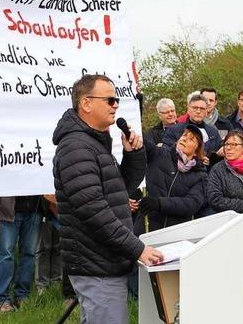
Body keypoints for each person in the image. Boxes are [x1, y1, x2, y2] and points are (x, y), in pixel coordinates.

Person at [52, 74, 162, 324]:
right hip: (96, 263)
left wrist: (132, 155)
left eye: (117, 100)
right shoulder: (77, 148)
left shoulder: (94, 143)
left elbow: (120, 189)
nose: (116, 105)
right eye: (110, 100)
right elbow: (94, 211)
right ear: (87, 104)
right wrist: (137, 248)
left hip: (104, 258)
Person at [206, 130, 243, 276]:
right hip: (229, 231)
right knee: (230, 275)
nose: (228, 148)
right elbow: (215, 200)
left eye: (234, 144)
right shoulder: (218, 170)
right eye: (227, 144)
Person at [137, 124, 207, 231]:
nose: (184, 139)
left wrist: (158, 203)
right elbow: (141, 141)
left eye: (191, 139)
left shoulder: (200, 175)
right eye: (184, 135)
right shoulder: (159, 154)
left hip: (175, 234)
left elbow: (191, 204)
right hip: (146, 228)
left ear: (197, 150)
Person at [0, 195, 41, 312]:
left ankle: (22, 296)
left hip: (35, 208)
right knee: (6, 254)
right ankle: (3, 299)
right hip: (9, 209)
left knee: (29, 254)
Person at [163, 94, 222, 160]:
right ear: (188, 109)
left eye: (202, 109)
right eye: (195, 108)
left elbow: (219, 156)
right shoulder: (174, 130)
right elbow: (166, 153)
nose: (198, 111)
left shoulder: (213, 132)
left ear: (206, 112)